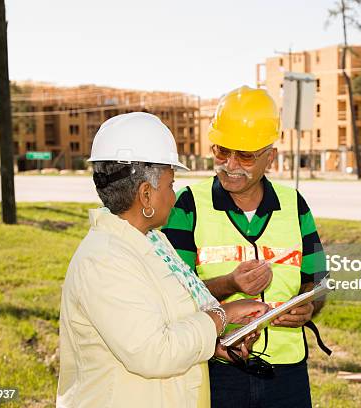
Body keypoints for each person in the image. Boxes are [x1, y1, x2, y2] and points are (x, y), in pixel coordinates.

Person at [56, 112, 268, 408]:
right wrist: (224, 315)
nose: (174, 194)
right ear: (145, 195)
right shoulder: (104, 260)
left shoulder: (153, 241)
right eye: (170, 184)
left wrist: (215, 343)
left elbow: (173, 322)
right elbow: (154, 352)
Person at [162, 86, 329, 408]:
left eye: (246, 155)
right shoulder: (188, 205)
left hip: (288, 371)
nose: (231, 164)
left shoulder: (294, 204)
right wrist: (228, 284)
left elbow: (317, 280)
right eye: (222, 151)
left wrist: (309, 307)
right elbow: (170, 295)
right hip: (215, 367)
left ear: (271, 156)